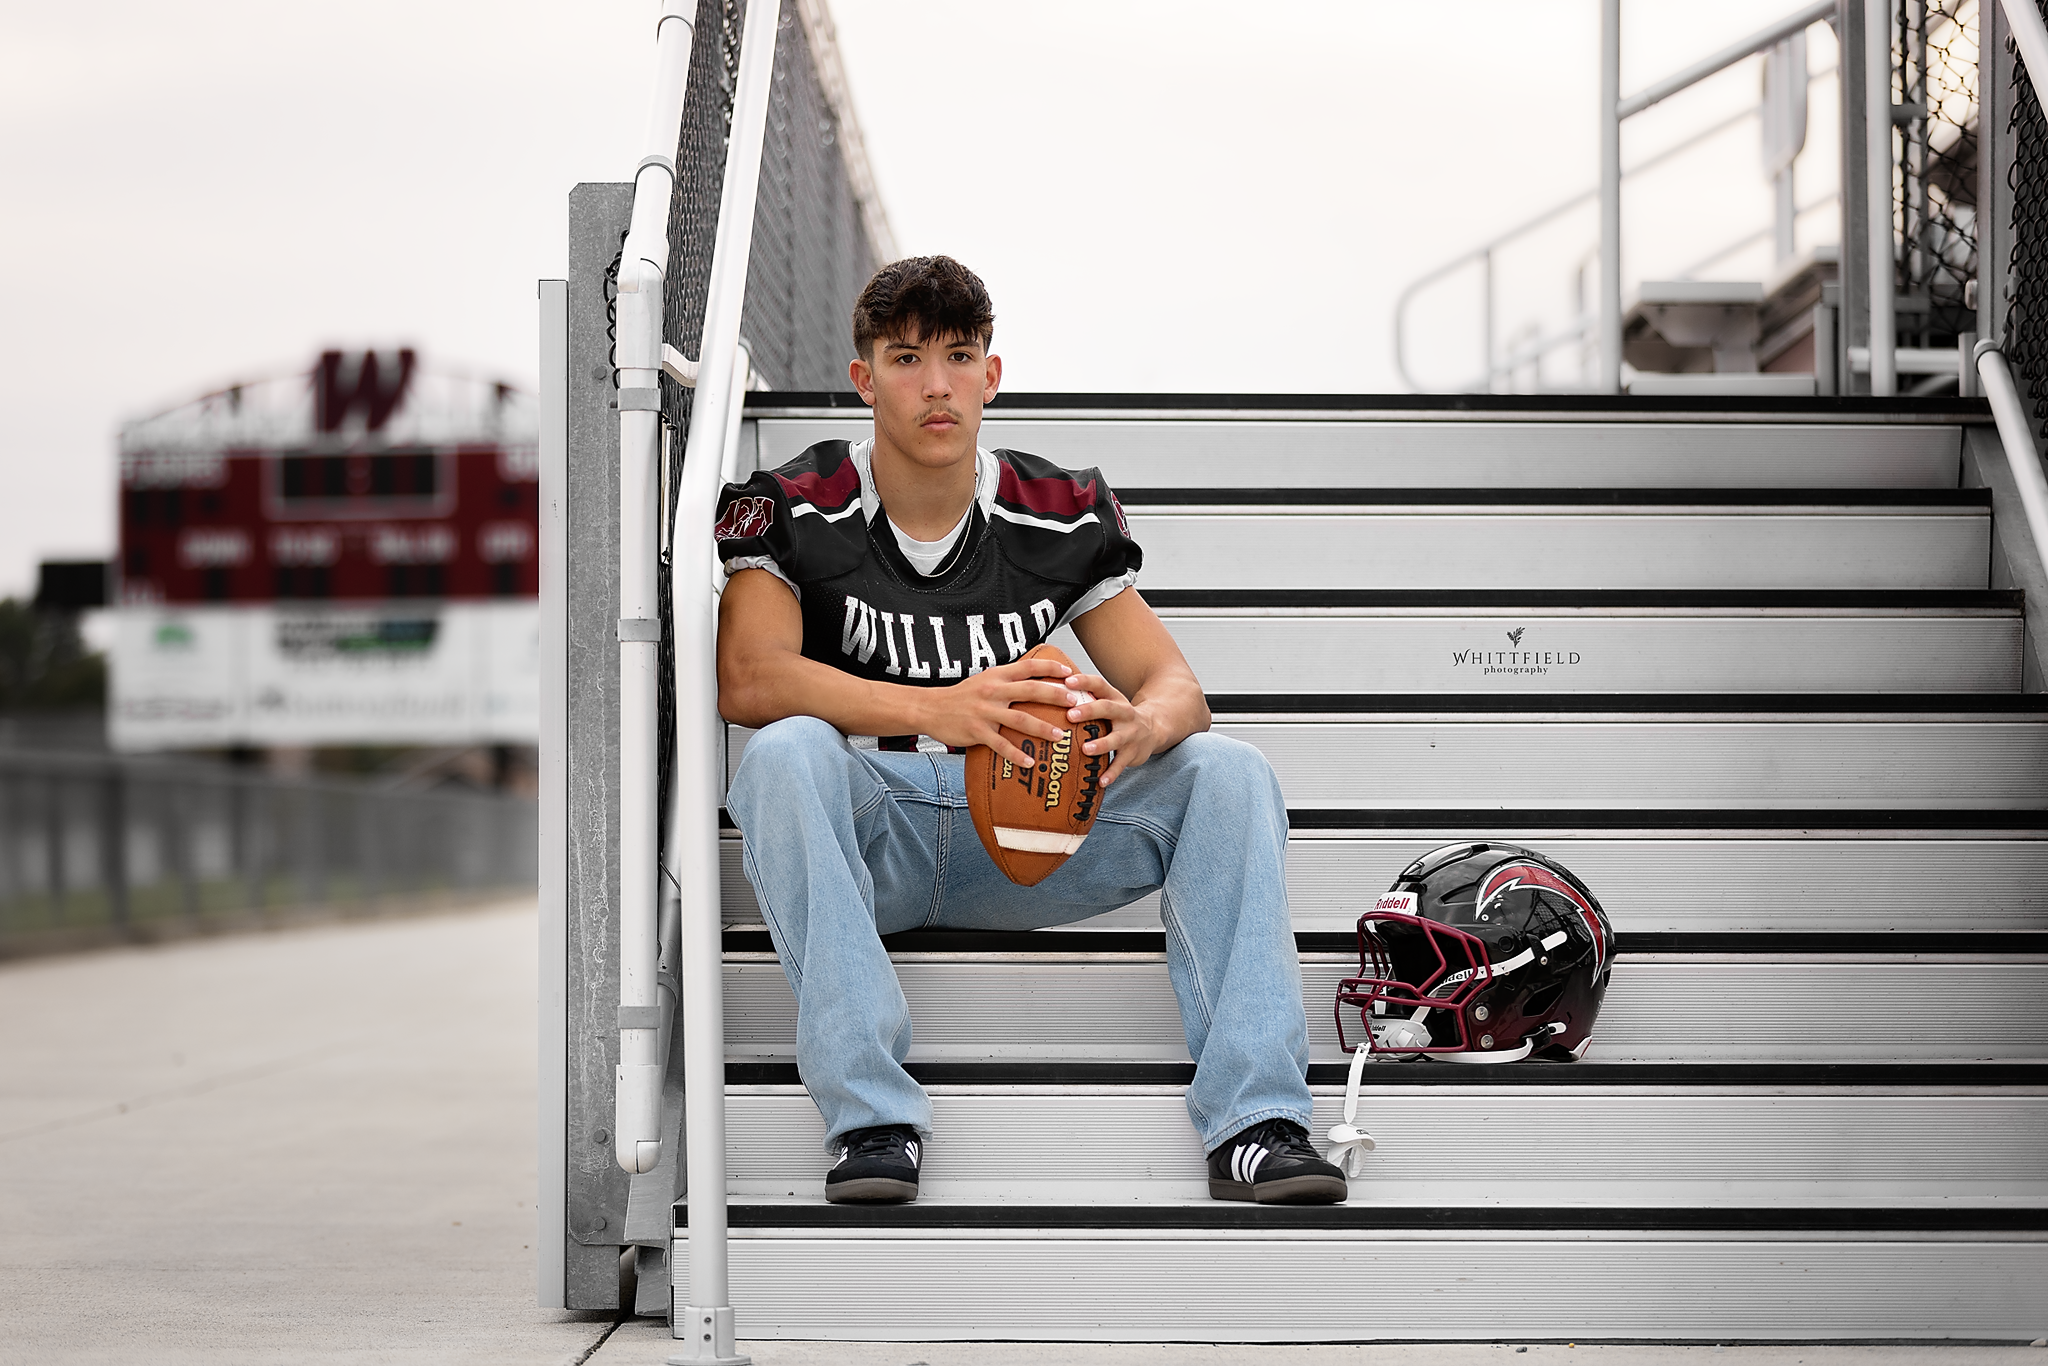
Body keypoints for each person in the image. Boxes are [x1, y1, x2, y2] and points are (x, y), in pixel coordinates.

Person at [713, 255, 1344, 1206]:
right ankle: (872, 1118)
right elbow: (750, 675)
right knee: (784, 753)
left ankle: (1257, 1122)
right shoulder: (799, 501)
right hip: (868, 832)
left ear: (991, 376)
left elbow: (1176, 684)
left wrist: (1138, 724)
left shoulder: (1054, 510)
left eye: (959, 357)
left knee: (1227, 770)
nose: (936, 385)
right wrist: (941, 708)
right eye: (906, 357)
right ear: (863, 379)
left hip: (1022, 832)